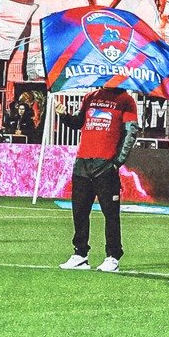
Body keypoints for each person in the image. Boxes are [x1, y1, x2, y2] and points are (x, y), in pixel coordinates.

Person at [59, 84, 138, 272]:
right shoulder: (90, 97)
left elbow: (130, 132)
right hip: (83, 162)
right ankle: (80, 254)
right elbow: (78, 122)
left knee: (110, 213)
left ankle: (113, 256)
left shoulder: (126, 100)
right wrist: (63, 115)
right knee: (79, 211)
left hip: (105, 165)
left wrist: (117, 162)